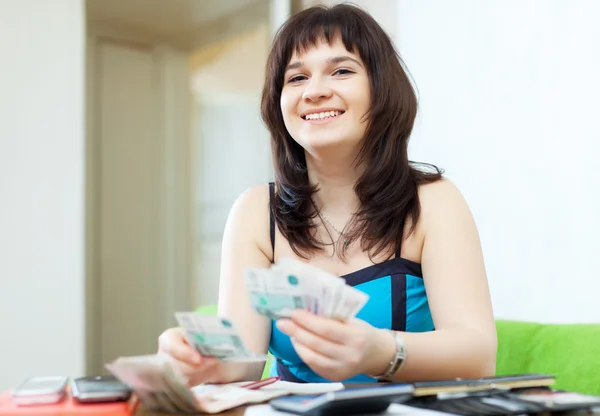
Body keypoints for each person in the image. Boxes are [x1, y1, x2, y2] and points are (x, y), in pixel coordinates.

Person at [158, 3, 497, 385]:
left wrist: (378, 351)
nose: (315, 91)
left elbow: (478, 355)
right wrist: (199, 360)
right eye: (296, 78)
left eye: (341, 71)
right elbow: (244, 362)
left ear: (382, 89)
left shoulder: (433, 202)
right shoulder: (256, 212)